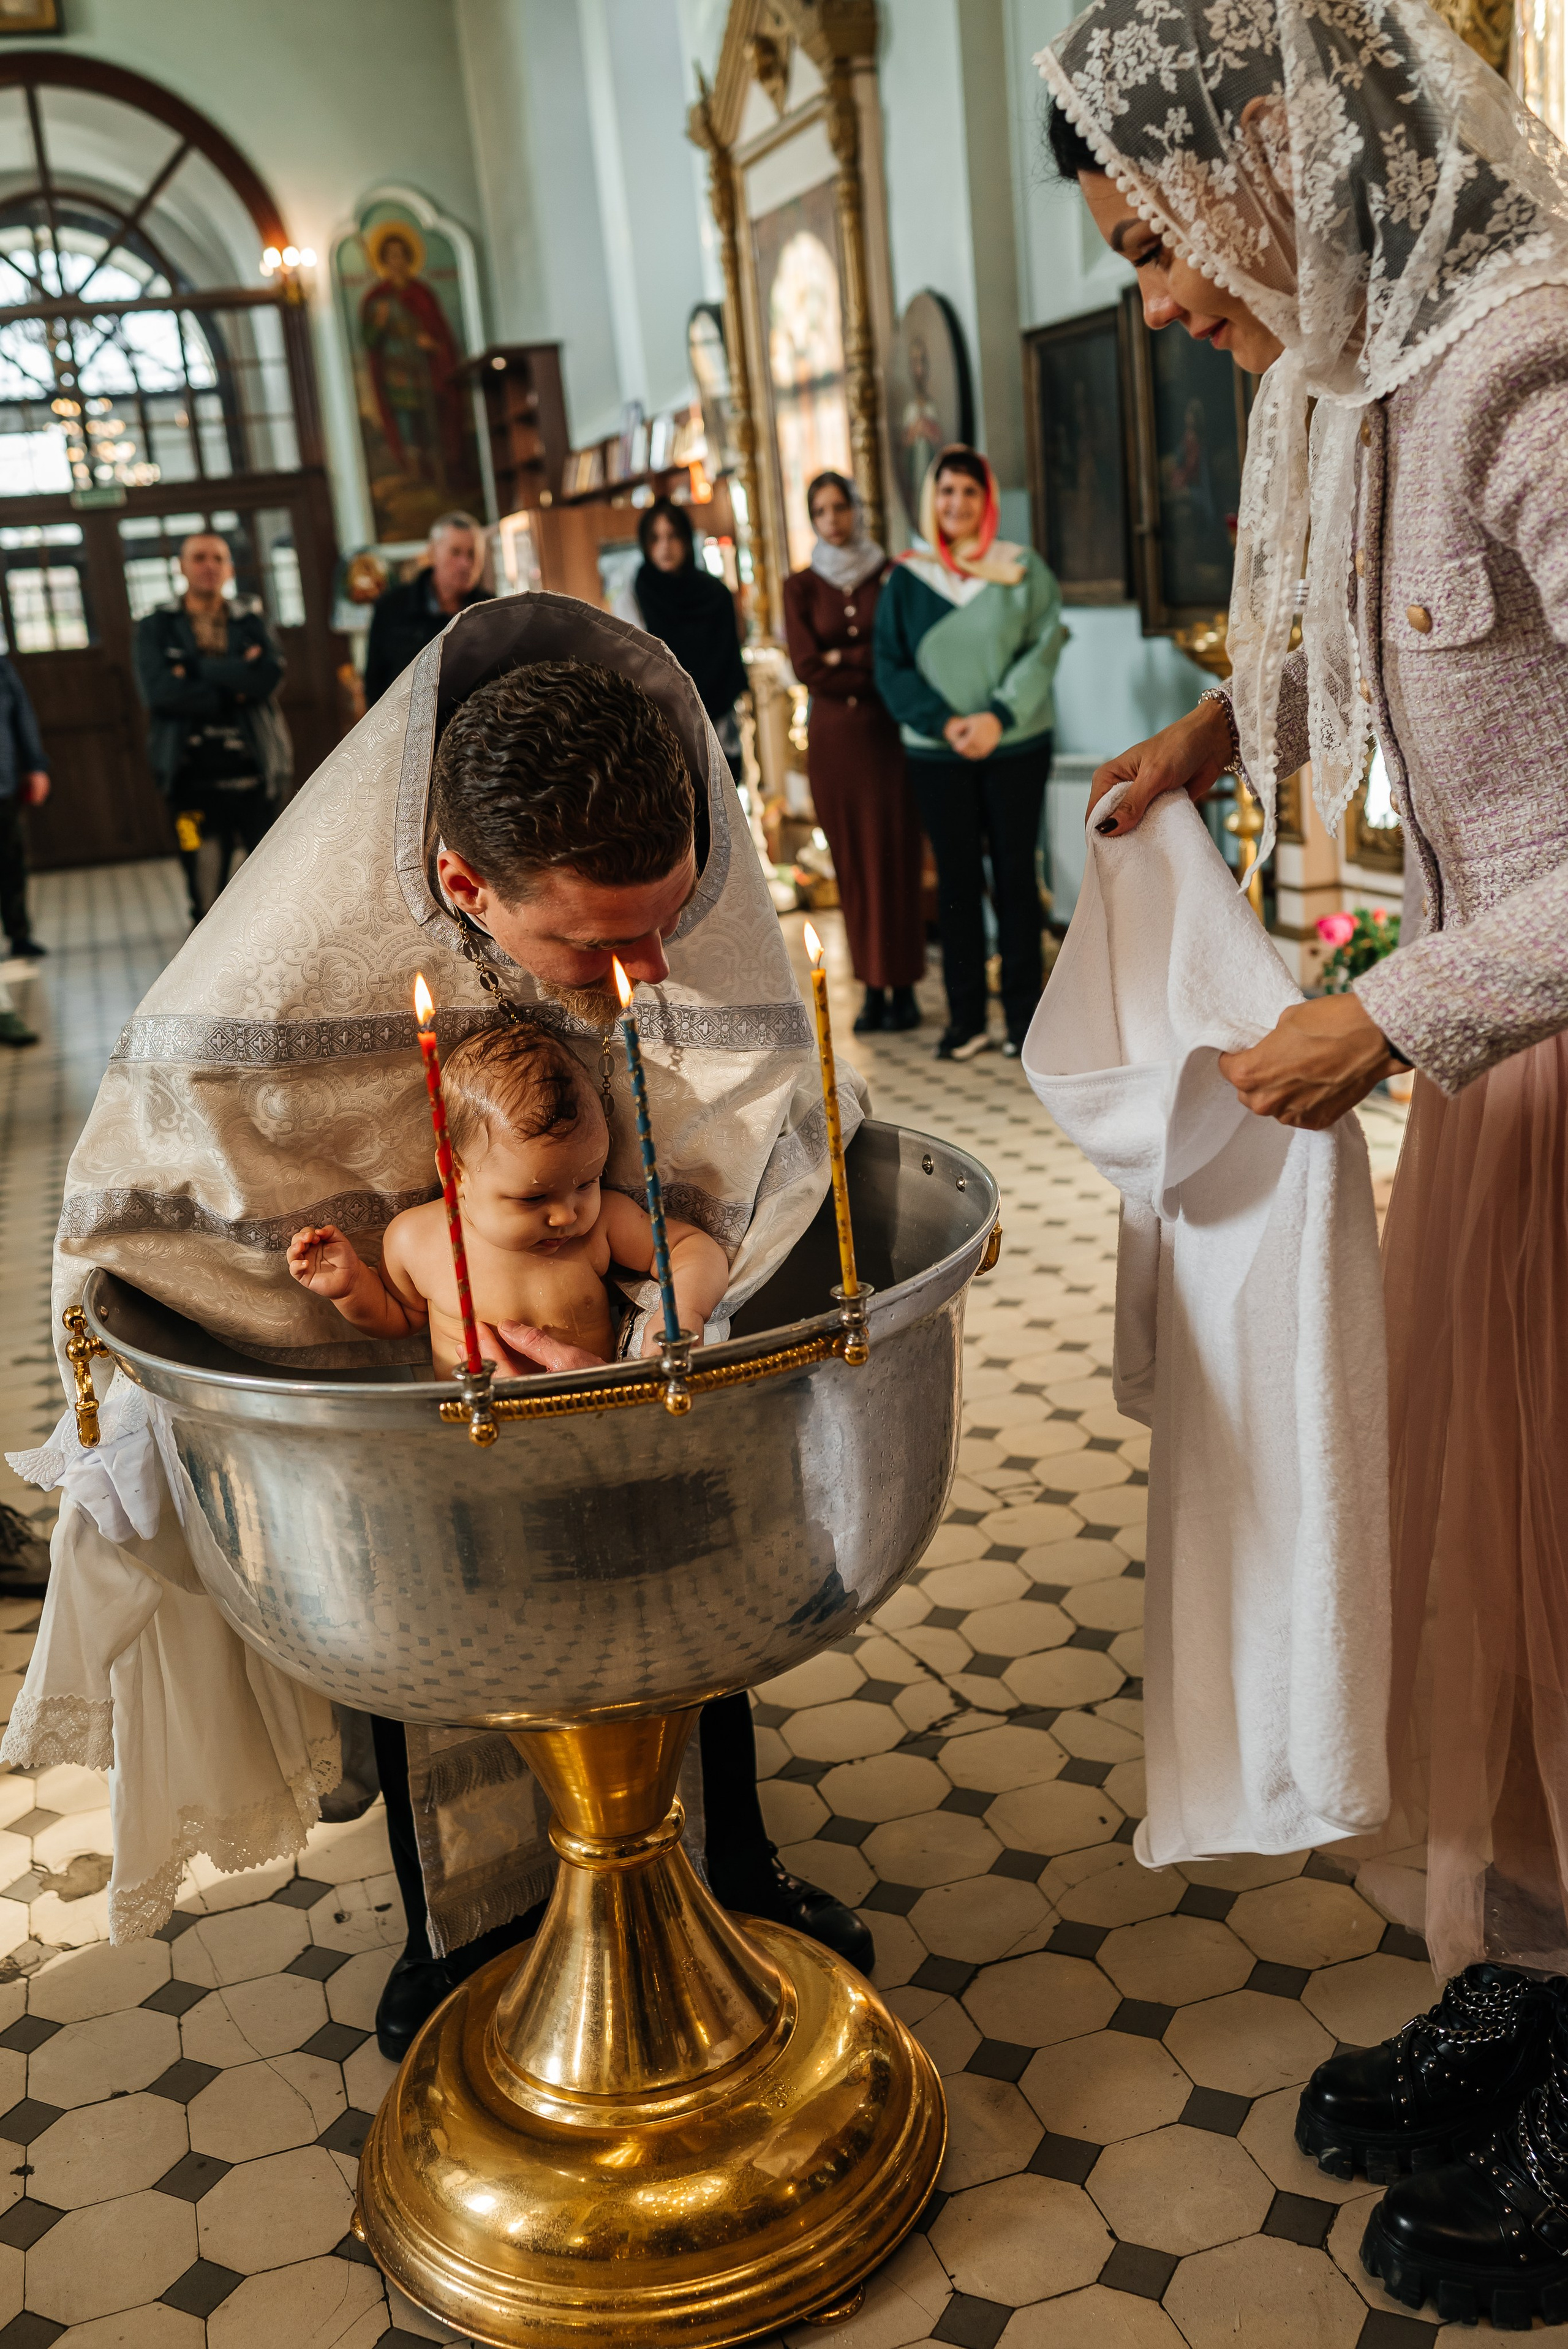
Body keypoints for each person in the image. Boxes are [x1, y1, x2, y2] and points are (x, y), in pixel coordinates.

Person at [23, 601, 873, 2065]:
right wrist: (378, 1306)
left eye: (668, 916)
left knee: (691, 1610)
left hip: (633, 1356)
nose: (652, 975)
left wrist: (675, 1294)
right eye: (597, 941)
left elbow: (747, 1118)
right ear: (462, 885)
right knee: (437, 1650)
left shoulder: (654, 891)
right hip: (436, 1407)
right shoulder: (291, 956)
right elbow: (171, 1202)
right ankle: (463, 1929)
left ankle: (733, 1867)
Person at [1042, 0, 1568, 2318]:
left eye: (1152, 232)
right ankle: (1542, 1972)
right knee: (1506, 1568)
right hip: (1497, 1080)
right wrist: (1188, 737)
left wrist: (1391, 1009)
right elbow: (1345, 676)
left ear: (1266, 143)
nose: (1149, 291)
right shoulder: (1327, 387)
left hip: (1509, 1034)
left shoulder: (1518, 370)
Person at [289, 1022, 728, 1372]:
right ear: (455, 1172)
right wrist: (351, 1290)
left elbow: (691, 1249)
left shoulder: (603, 1224)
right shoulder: (417, 1239)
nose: (566, 1215)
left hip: (593, 1412)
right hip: (479, 1430)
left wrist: (683, 1311)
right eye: (533, 1199)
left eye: (586, 1182)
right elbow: (399, 1317)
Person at [873, 446, 1063, 1060]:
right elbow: (891, 665)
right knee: (955, 882)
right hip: (938, 750)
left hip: (1016, 744)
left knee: (1014, 876)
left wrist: (997, 717)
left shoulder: (1022, 570)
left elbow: (1043, 647)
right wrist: (947, 722)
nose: (955, 504)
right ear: (932, 500)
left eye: (969, 493)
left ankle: (1024, 1021)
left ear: (988, 503)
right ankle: (966, 1021)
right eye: (946, 492)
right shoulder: (908, 578)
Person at [782, 472, 924, 1035]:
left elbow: (900, 651)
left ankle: (906, 988)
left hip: (888, 738)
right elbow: (806, 666)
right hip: (836, 745)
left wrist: (844, 659)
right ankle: (872, 991)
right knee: (855, 867)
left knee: (896, 857)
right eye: (822, 510)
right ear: (812, 519)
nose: (833, 519)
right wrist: (859, 662)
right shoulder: (800, 587)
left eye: (841, 507)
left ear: (856, 510)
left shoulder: (889, 575)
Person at [134, 532, 290, 924]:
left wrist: (194, 669)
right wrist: (235, 681)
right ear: (182, 567)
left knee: (272, 880)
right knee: (200, 881)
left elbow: (267, 679)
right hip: (185, 782)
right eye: (199, 557)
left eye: (218, 558)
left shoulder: (251, 622)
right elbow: (160, 692)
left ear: (229, 569)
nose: (209, 566)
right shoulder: (156, 627)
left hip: (257, 776)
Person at [614, 497, 748, 783]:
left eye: (673, 536)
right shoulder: (635, 597)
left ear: (687, 540)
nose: (665, 546)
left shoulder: (715, 595)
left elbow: (728, 663)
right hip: (662, 730)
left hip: (717, 726)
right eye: (656, 538)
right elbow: (635, 668)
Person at [363, 511, 489, 707]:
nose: (466, 564)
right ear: (432, 554)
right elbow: (375, 683)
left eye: (472, 554)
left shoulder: (490, 609)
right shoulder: (391, 608)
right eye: (455, 552)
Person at [0, 652, 49, 981]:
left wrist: (36, 765)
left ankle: (19, 934)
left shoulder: (2, 667)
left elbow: (23, 717)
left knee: (10, 860)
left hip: (2, 783)